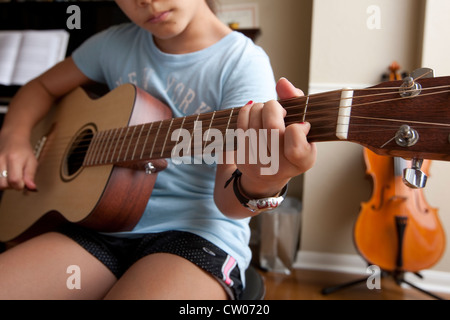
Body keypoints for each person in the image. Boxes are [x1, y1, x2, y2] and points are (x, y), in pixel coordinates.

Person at [0, 0, 316, 300]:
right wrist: (15, 137)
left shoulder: (243, 64)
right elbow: (39, 87)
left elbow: (229, 205)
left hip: (196, 235)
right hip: (98, 225)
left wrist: (261, 183)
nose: (146, 1)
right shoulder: (112, 45)